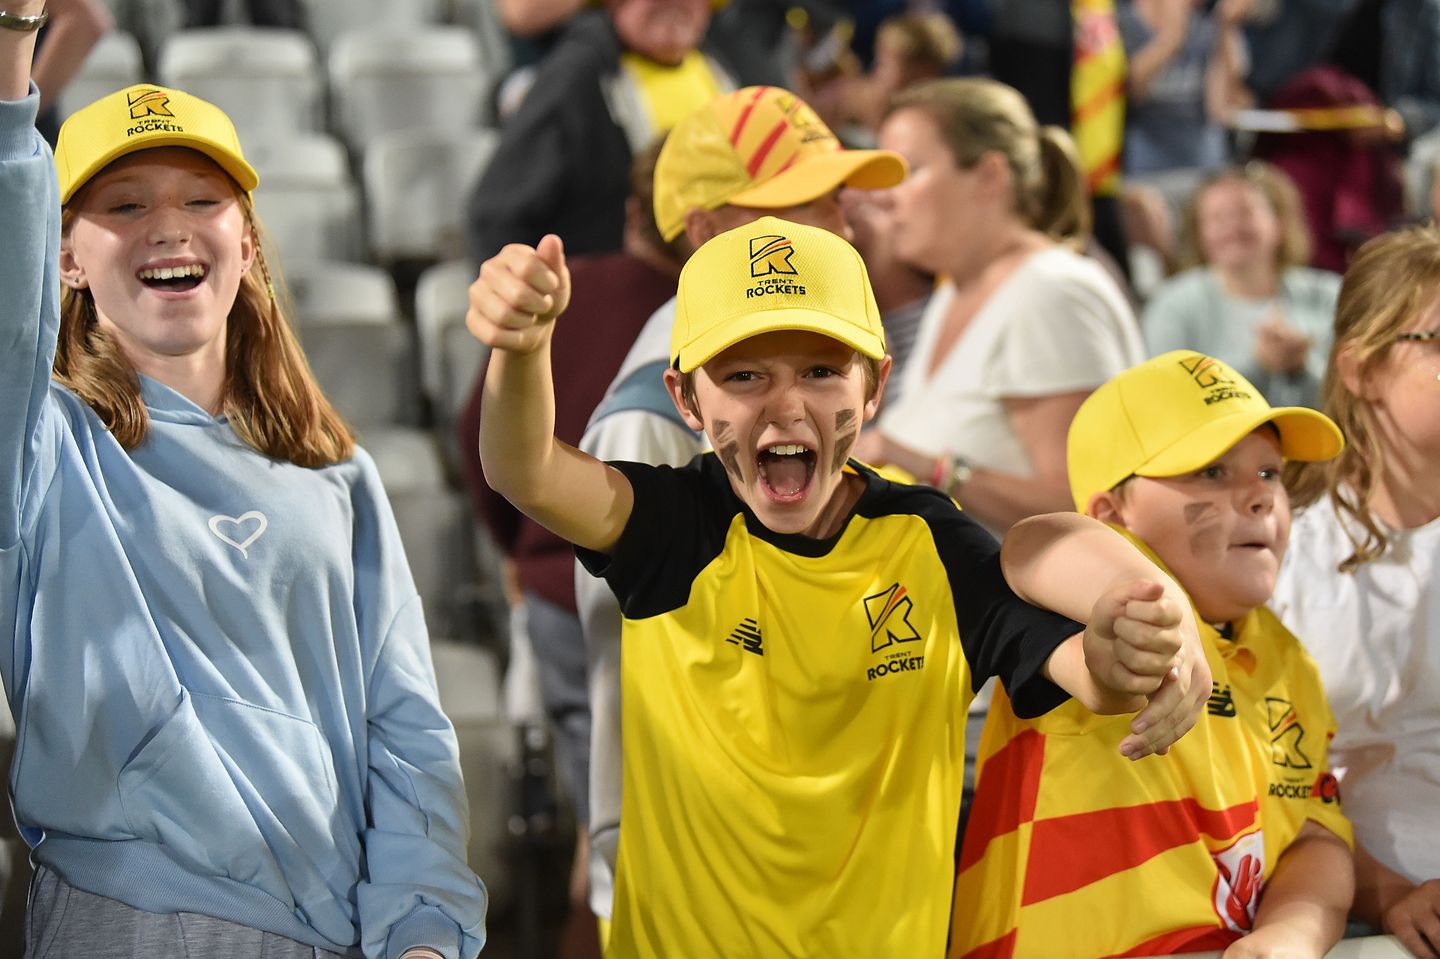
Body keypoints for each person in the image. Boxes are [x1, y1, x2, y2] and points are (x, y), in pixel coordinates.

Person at [470, 213, 1211, 956]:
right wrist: (523, 348)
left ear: (876, 386)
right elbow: (525, 470)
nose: (786, 406)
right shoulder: (670, 527)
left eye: (822, 371)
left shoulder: (929, 541)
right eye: (744, 374)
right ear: (686, 400)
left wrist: (1135, 643)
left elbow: (1087, 669)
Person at [0, 19, 485, 958]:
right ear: (65, 258)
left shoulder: (337, 471)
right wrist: (16, 47)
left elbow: (409, 730)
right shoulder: (41, 449)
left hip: (344, 932)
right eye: (124, 206)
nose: (169, 225)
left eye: (200, 197)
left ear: (249, 241)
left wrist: (424, 928)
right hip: (128, 925)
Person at [572, 83, 908, 926]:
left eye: (838, 199)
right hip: (700, 864)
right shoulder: (649, 419)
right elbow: (637, 652)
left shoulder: (797, 381)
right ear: (709, 233)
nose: (846, 225)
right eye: (807, 206)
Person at [953, 349, 1353, 959]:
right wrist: (1152, 600)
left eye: (1270, 473)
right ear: (1113, 514)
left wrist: (1289, 936)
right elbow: (1036, 544)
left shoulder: (1287, 657)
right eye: (1211, 472)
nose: (1258, 497)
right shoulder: (1094, 606)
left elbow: (1316, 836)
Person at [854, 76, 1144, 539]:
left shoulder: (1052, 293)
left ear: (989, 175)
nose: (885, 196)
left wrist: (915, 461)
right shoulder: (955, 289)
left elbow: (1091, 504)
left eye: (909, 171)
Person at [1272, 225, 1440, 959]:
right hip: (1334, 899)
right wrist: (1391, 892)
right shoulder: (1278, 546)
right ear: (1361, 368)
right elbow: (1260, 777)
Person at [465, 0, 736, 264]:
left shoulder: (722, 68)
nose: (672, 4)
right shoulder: (576, 75)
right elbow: (495, 214)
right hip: (617, 286)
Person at [1144, 161, 1341, 410]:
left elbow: (1354, 399)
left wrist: (1303, 366)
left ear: (1278, 222)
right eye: (1217, 218)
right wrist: (1257, 364)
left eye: (1245, 213)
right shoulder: (1172, 304)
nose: (1232, 228)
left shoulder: (1329, 294)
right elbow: (1168, 398)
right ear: (1199, 232)